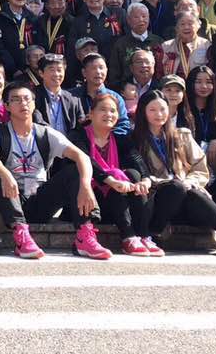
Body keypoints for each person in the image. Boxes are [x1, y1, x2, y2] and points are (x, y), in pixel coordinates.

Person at [0, 84, 112, 260]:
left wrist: (85, 186)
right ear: (7, 106)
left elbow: (82, 157)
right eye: (16, 100)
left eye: (27, 99)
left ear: (34, 103)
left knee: (75, 172)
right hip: (11, 198)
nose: (23, 103)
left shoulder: (45, 133)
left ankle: (85, 236)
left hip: (39, 200)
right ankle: (21, 235)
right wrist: (6, 174)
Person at [131, 89, 216, 256]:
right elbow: (140, 173)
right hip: (159, 198)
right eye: (152, 110)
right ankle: (155, 232)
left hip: (185, 193)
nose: (159, 114)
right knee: (176, 188)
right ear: (143, 112)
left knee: (194, 193)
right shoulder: (136, 139)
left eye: (162, 109)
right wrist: (169, 183)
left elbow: (199, 167)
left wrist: (190, 182)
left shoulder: (181, 135)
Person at [68, 93, 159, 256]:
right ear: (91, 113)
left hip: (115, 202)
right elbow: (88, 162)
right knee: (114, 174)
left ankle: (142, 235)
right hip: (86, 203)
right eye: (103, 110)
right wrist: (111, 180)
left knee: (133, 174)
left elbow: (136, 159)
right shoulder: (78, 135)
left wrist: (146, 179)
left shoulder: (120, 138)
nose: (108, 114)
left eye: (113, 111)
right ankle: (128, 236)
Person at [179, 65, 216, 208]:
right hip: (190, 157)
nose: (204, 86)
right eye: (198, 82)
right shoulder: (182, 108)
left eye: (208, 82)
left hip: (213, 157)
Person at [72, 53, 131, 136]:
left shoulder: (115, 97)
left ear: (106, 70)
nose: (98, 72)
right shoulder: (71, 96)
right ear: (84, 72)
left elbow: (123, 125)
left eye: (101, 68)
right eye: (93, 68)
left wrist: (106, 139)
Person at [107, 4, 164, 87]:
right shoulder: (120, 44)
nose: (141, 20)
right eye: (136, 17)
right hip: (127, 90)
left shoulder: (158, 41)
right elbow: (114, 73)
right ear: (128, 20)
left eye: (144, 16)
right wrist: (123, 89)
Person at [32, 53, 86, 135]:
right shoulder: (33, 97)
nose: (56, 74)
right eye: (51, 70)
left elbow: (80, 127)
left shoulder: (73, 99)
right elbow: (38, 123)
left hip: (69, 142)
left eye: (59, 70)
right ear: (41, 73)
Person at [162, 11, 211, 78]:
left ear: (198, 25)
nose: (186, 27)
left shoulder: (206, 45)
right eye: (182, 24)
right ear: (176, 27)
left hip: (198, 83)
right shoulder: (166, 46)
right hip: (175, 84)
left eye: (190, 24)